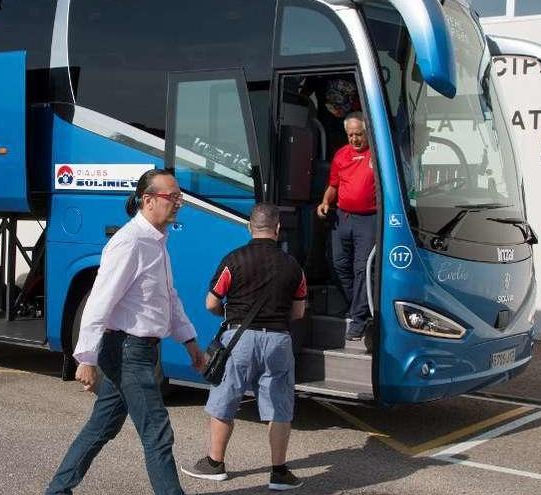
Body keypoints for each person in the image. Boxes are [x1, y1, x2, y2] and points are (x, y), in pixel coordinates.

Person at [45, 169, 205, 495]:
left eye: (179, 198)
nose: (178, 204)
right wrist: (85, 357)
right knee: (157, 432)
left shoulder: (156, 241)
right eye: (171, 197)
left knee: (100, 427)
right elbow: (100, 301)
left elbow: (168, 298)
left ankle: (57, 491)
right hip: (129, 352)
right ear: (147, 200)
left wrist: (191, 344)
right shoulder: (129, 242)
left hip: (138, 351)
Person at [181, 202, 307, 491]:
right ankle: (279, 473)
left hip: (239, 338)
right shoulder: (293, 266)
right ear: (277, 229)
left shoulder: (233, 259)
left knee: (226, 399)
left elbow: (211, 303)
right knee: (279, 407)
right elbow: (298, 313)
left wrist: (228, 315)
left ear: (250, 227)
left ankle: (215, 464)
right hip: (278, 340)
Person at [316, 112, 376, 341]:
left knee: (362, 268)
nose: (354, 139)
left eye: (358, 134)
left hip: (369, 219)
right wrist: (325, 202)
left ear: (367, 132)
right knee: (338, 263)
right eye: (350, 135)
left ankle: (358, 320)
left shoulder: (376, 155)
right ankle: (358, 305)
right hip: (343, 217)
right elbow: (333, 185)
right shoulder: (341, 155)